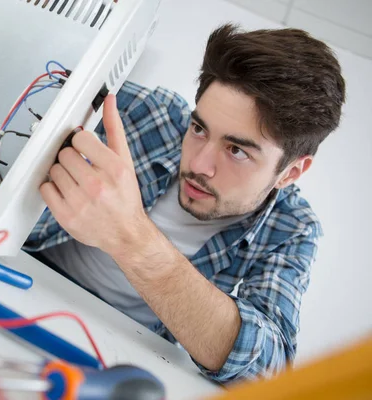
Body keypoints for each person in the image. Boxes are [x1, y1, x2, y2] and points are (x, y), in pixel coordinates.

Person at [24, 24, 346, 383]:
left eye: (236, 150)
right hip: (22, 283)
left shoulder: (291, 228)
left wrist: (132, 239)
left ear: (290, 172)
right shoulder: (149, 113)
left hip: (117, 356)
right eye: (198, 129)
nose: (197, 165)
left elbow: (265, 370)